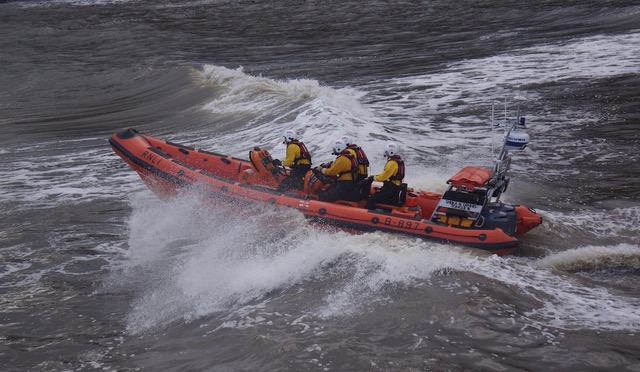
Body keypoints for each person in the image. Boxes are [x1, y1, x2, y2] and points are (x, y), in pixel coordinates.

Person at [364, 142, 405, 210]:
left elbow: (383, 177)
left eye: (386, 151)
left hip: (391, 189)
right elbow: (386, 175)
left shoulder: (392, 163)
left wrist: (372, 178)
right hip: (394, 187)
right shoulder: (397, 161)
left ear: (391, 152)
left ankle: (366, 215)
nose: (385, 153)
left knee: (372, 199)